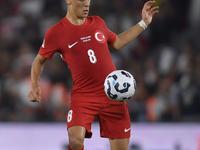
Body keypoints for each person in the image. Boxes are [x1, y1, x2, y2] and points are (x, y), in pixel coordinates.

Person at [28, 0, 158, 149]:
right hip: (83, 95)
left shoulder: (98, 22)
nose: (87, 4)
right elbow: (38, 61)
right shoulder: (56, 32)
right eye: (82, 0)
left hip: (112, 94)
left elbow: (118, 42)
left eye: (88, 0)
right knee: (75, 141)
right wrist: (34, 85)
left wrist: (144, 23)